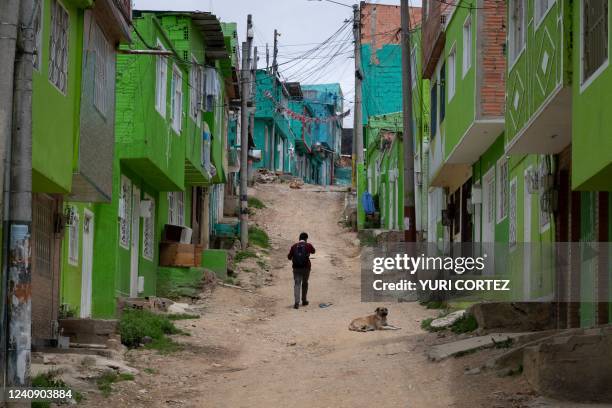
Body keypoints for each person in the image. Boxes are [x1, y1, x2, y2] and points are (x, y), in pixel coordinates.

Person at [287, 232, 316, 309]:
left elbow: (289, 257)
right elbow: (313, 251)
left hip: (296, 268)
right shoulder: (308, 245)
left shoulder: (294, 246)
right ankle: (304, 300)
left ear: (299, 238)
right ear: (306, 239)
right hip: (306, 268)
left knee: (297, 284)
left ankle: (296, 302)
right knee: (305, 283)